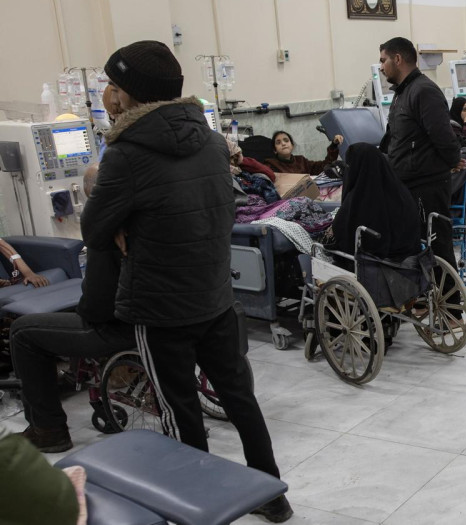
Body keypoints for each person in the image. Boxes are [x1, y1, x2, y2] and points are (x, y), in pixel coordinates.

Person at [82, 40, 291, 522]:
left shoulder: (126, 155)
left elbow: (93, 229)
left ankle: (200, 508)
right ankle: (272, 496)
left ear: (127, 95)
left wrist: (121, 226)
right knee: (241, 398)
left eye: (111, 86)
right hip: (216, 295)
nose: (107, 96)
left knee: (180, 411)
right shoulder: (213, 141)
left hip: (160, 307)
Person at [11, 169, 133, 454]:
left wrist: (83, 307)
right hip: (164, 320)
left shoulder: (109, 233)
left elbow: (97, 307)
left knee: (22, 332)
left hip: (119, 327)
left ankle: (48, 430)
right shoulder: (157, 222)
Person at [379, 36, 464, 320]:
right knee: (415, 245)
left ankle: (451, 312)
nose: (381, 67)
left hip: (427, 183)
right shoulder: (403, 92)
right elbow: (396, 136)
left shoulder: (423, 91)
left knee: (438, 245)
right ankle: (424, 297)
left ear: (398, 59)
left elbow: (442, 133)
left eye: (383, 60)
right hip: (407, 182)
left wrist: (452, 160)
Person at [334, 143, 423, 259]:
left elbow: (344, 235)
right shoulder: (399, 190)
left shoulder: (361, 198)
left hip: (380, 263)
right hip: (410, 256)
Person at [263, 130, 343, 176]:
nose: (283, 144)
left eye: (286, 140)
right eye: (278, 142)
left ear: (292, 145)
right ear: (274, 150)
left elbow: (324, 166)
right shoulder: (270, 165)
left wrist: (334, 145)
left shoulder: (301, 160)